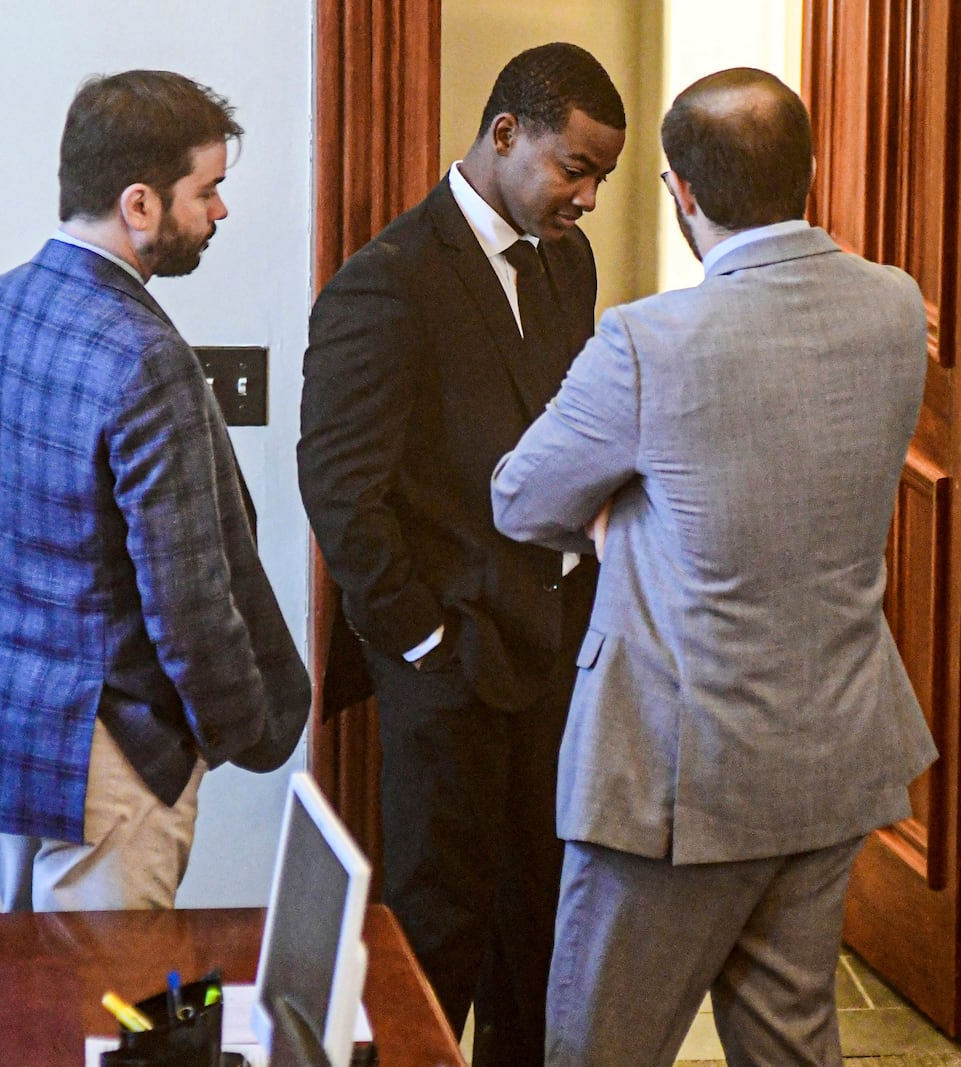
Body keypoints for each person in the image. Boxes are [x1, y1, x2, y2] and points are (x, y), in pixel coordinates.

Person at [491, 67, 940, 1067]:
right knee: (789, 1040)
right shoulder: (893, 307)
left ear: (681, 193)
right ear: (806, 175)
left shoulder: (649, 341)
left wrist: (614, 519)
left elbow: (521, 497)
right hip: (830, 751)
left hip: (677, 775)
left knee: (597, 1048)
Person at [0, 70, 310, 913]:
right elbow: (188, 602)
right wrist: (231, 733)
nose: (221, 213)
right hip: (114, 760)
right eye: (209, 191)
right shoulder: (143, 356)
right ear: (140, 204)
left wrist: (37, 632)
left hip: (6, 729)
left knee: (27, 1021)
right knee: (104, 1027)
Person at [297, 42, 625, 1065]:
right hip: (448, 666)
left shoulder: (569, 261)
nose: (586, 198)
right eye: (574, 168)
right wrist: (422, 639)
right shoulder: (386, 281)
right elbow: (340, 494)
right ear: (504, 135)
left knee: (544, 933)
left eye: (603, 178)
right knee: (434, 936)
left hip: (560, 655)